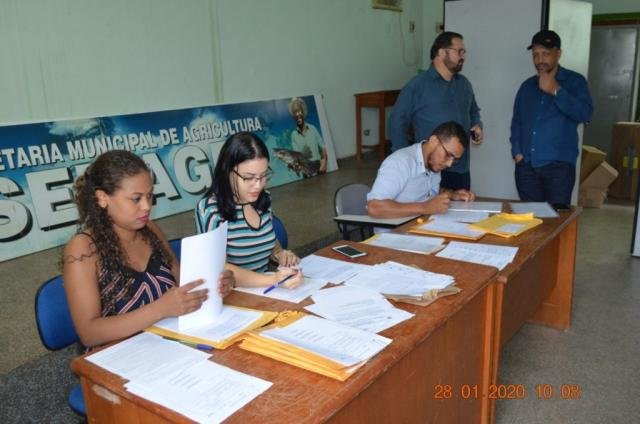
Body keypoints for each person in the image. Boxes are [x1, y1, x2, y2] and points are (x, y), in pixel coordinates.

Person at [62, 150, 235, 348]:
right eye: (136, 199)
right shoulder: (82, 249)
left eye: (149, 196)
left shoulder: (149, 230)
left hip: (168, 344)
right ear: (102, 198)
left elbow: (184, 284)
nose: (146, 206)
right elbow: (89, 334)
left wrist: (216, 284)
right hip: (120, 356)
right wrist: (159, 310)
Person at [196, 132, 303, 287]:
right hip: (235, 299)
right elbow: (219, 270)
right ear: (228, 171)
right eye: (248, 177)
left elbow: (270, 242)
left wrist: (280, 254)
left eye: (263, 175)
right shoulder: (211, 210)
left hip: (266, 292)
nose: (258, 185)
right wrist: (273, 280)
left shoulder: (263, 199)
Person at [389, 31, 483, 191]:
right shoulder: (418, 85)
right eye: (458, 51)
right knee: (432, 214)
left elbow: (473, 110)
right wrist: (406, 159)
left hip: (461, 167)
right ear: (441, 52)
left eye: (464, 52)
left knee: (461, 210)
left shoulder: (464, 84)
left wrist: (477, 124)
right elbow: (397, 121)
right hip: (431, 168)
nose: (463, 56)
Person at [510, 30, 593, 206]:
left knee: (556, 224)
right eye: (536, 55)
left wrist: (556, 90)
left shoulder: (574, 82)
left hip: (559, 170)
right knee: (530, 223)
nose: (540, 60)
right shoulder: (527, 86)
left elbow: (585, 114)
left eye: (546, 54)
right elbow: (517, 122)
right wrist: (517, 153)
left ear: (558, 53)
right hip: (527, 169)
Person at [367, 121, 475, 219]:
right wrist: (425, 207)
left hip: (421, 226)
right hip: (394, 234)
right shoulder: (400, 162)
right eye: (448, 155)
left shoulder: (433, 162)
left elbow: (426, 190)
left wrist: (452, 194)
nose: (449, 163)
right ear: (434, 141)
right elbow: (375, 208)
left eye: (455, 160)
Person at [288, 97, 328, 174]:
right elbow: (297, 156)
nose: (297, 115)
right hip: (306, 170)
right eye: (295, 112)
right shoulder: (293, 135)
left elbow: (323, 147)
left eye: (299, 111)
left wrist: (323, 162)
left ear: (303, 113)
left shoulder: (313, 128)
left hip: (319, 167)